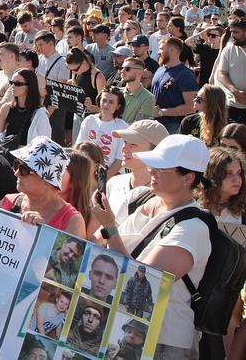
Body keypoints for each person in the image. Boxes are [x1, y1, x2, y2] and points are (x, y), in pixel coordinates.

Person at [90, 134, 213, 356]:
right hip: (122, 330)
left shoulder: (193, 228)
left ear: (188, 178)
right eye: (152, 165)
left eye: (161, 168)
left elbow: (141, 279)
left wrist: (109, 227)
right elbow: (96, 244)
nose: (151, 171)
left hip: (163, 342)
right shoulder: (145, 199)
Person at [0, 136, 85, 237]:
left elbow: (72, 250)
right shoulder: (9, 201)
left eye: (24, 169)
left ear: (47, 179)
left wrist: (44, 232)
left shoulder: (72, 220)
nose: (16, 173)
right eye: (16, 165)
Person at [104, 120, 168, 224]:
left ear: (156, 151)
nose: (124, 148)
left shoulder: (164, 197)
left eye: (133, 144)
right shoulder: (113, 183)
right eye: (125, 142)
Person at [0, 69, 51, 152]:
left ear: (29, 86)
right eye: (11, 82)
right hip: (6, 154)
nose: (12, 87)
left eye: (17, 84)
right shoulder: (6, 108)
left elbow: (45, 143)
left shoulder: (40, 113)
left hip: (27, 156)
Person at [76, 87, 128, 177]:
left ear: (118, 106)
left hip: (112, 176)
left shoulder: (123, 127)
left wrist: (102, 180)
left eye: (111, 102)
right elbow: (78, 149)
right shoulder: (89, 120)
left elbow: (119, 161)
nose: (106, 104)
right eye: (104, 100)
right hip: (86, 173)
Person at [150, 37, 198, 132]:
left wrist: (161, 112)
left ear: (172, 50)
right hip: (153, 123)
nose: (159, 52)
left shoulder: (185, 74)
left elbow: (191, 107)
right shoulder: (160, 70)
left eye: (161, 49)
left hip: (172, 126)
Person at [198, 146, 246, 223]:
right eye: (229, 173)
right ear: (213, 176)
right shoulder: (191, 204)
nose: (237, 179)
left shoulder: (243, 209)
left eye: (238, 173)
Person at [215, 17, 246, 123]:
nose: (232, 35)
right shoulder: (228, 50)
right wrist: (235, 91)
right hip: (232, 105)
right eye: (231, 32)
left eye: (236, 32)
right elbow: (222, 74)